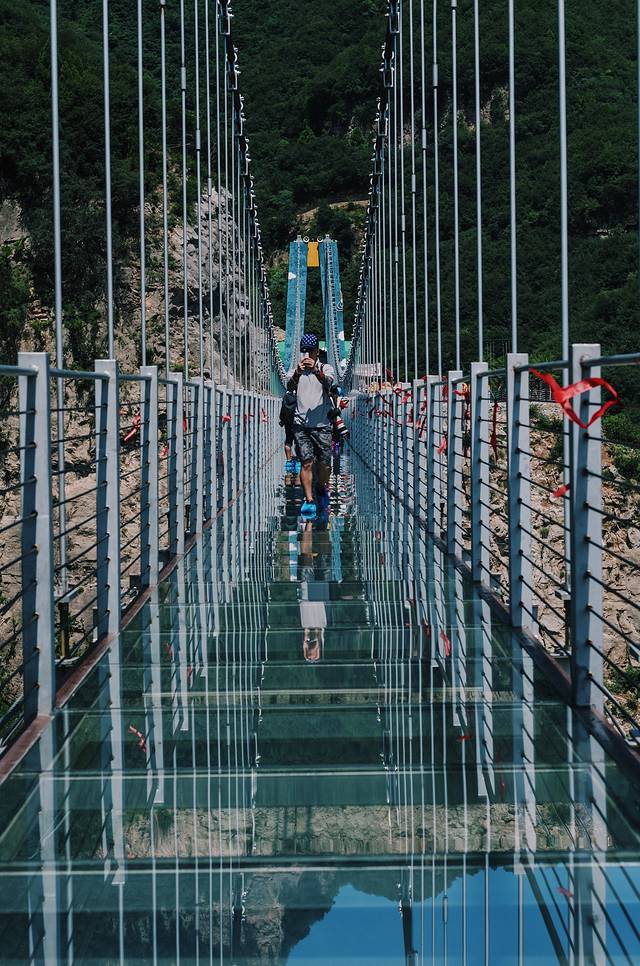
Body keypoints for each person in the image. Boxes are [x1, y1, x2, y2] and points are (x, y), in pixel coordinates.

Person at [287, 333, 336, 521]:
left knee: (325, 465)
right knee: (306, 462)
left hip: (322, 424)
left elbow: (329, 384)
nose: (306, 354)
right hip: (301, 424)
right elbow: (288, 386)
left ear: (317, 351)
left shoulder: (326, 368)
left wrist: (315, 370)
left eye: (310, 350)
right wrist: (297, 374)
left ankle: (321, 487)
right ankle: (309, 500)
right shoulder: (295, 370)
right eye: (304, 351)